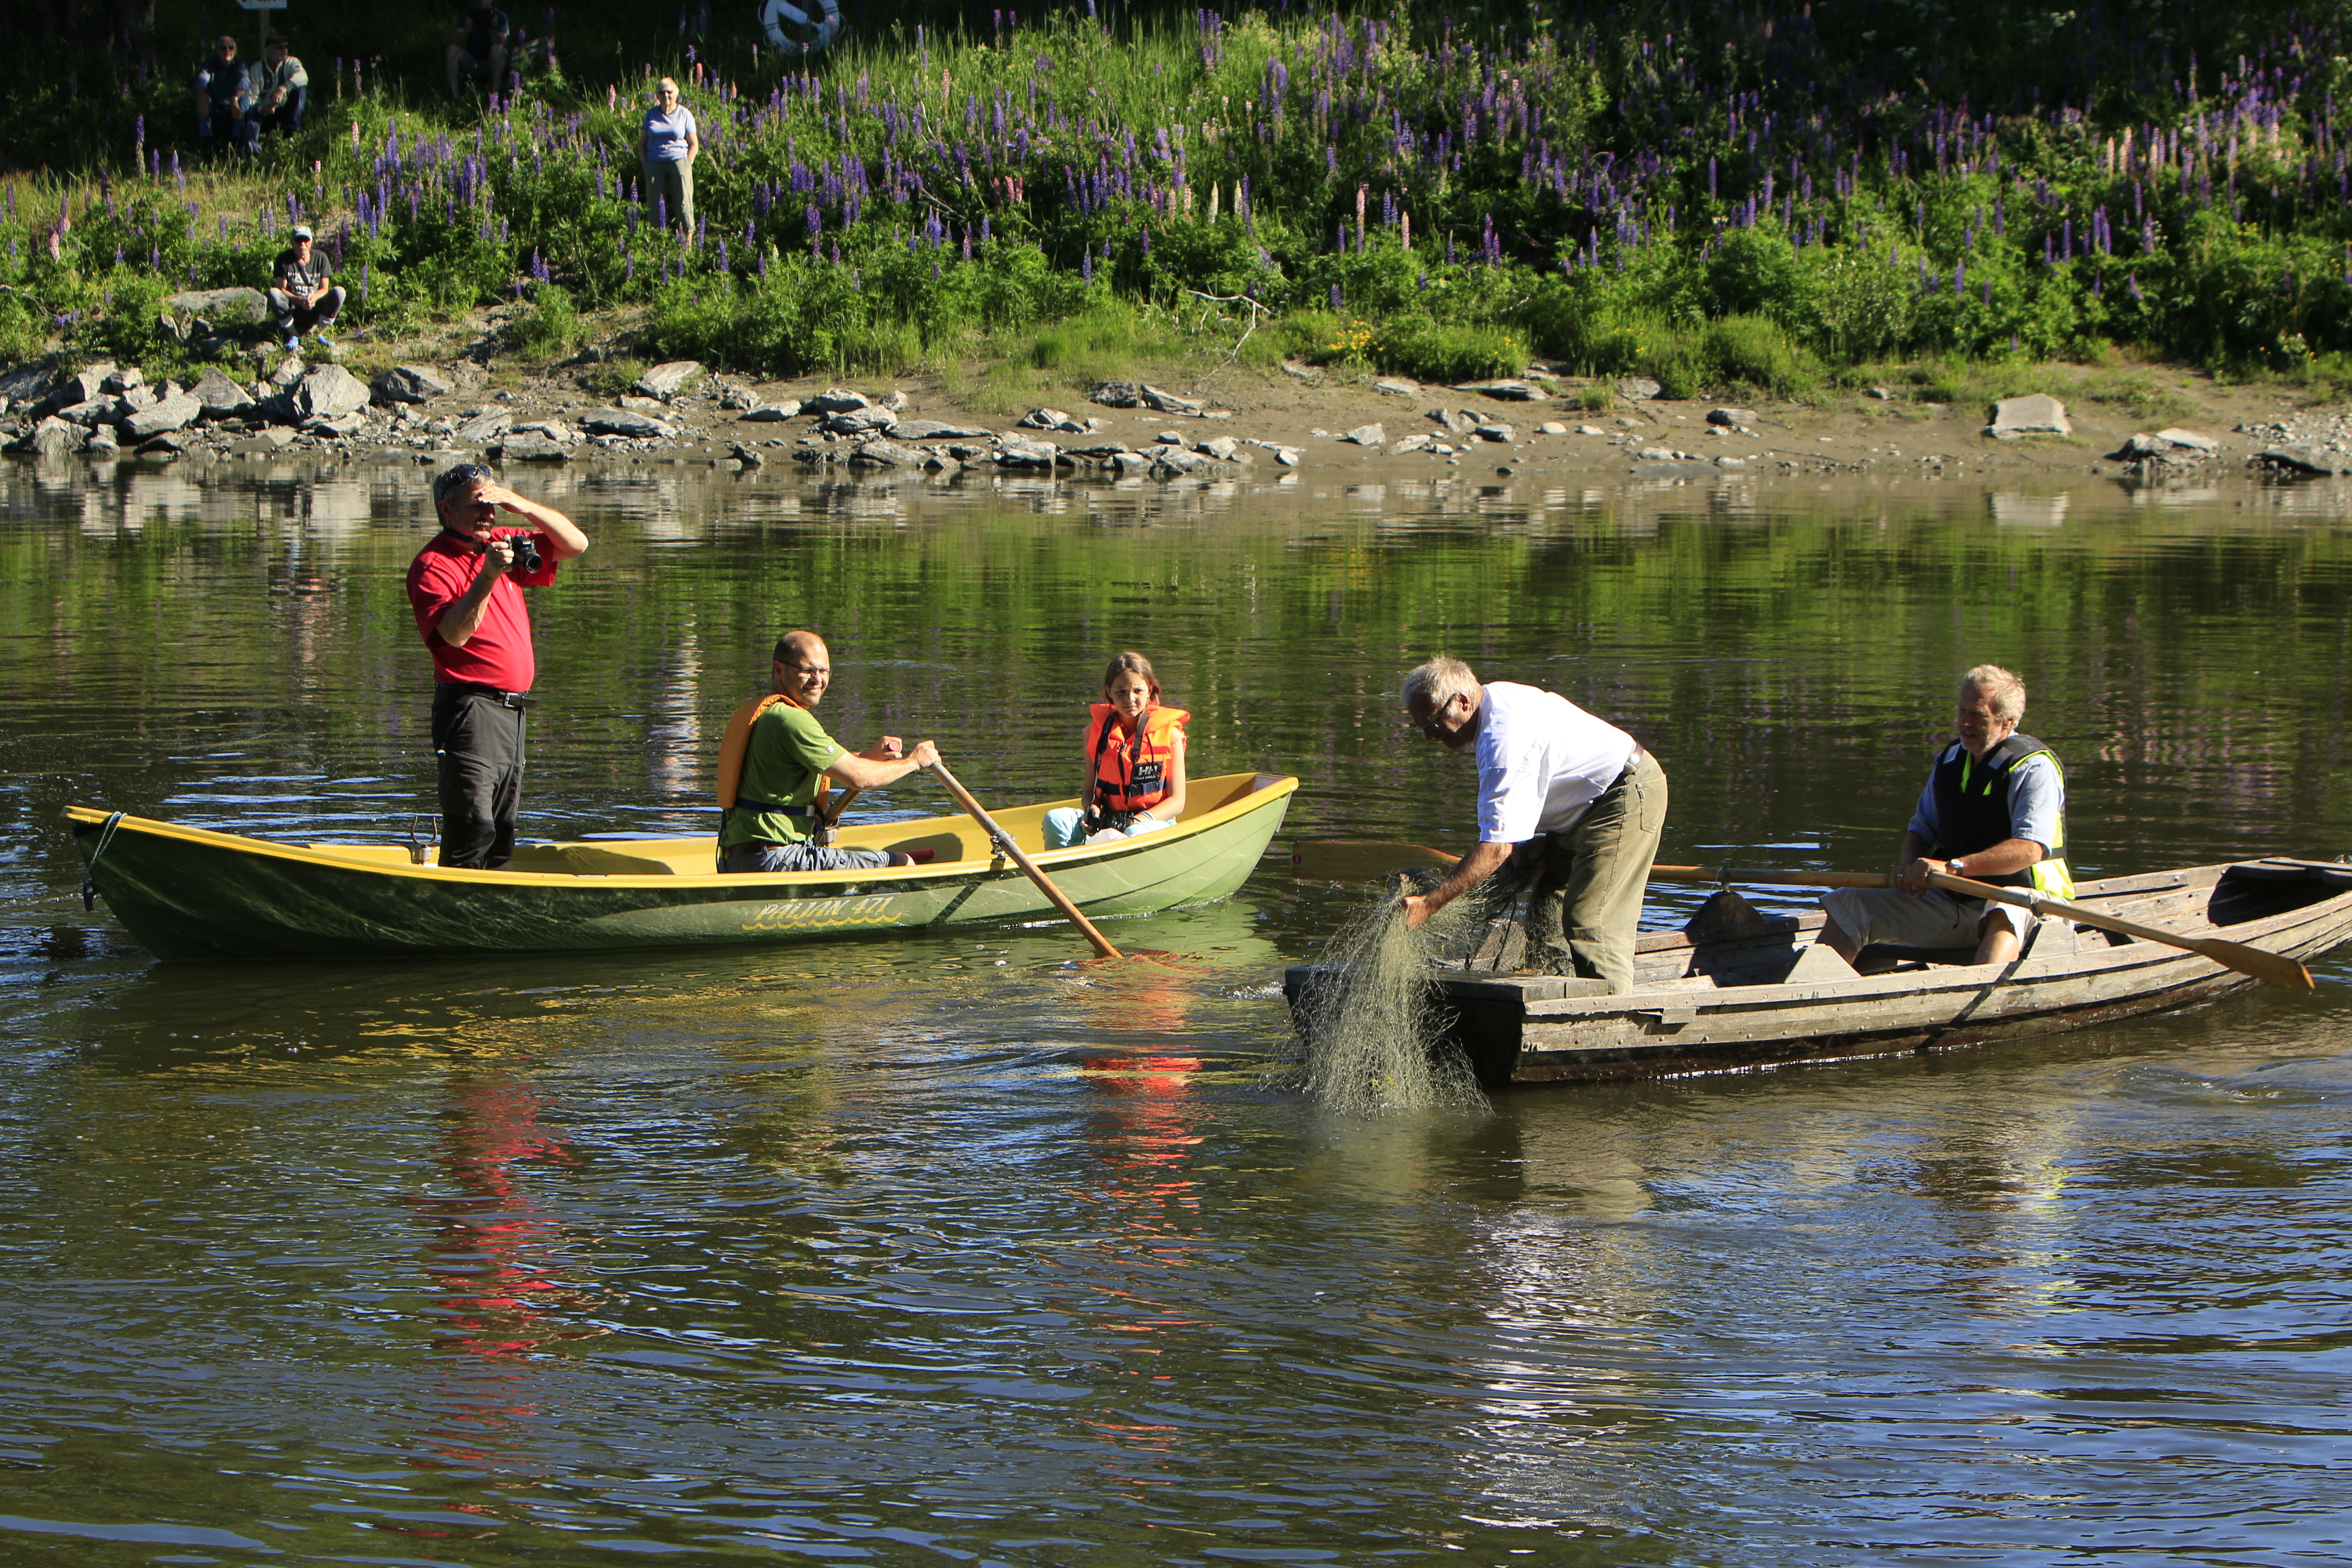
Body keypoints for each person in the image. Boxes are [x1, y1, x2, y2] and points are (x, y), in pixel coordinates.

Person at [1398, 656, 1668, 994]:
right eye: (1421, 727)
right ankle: (1553, 992)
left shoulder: (1504, 740)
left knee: (1590, 922)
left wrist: (1428, 904)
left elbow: (1495, 849)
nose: (1428, 737)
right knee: (1546, 892)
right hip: (1580, 809)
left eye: (1434, 725)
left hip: (1622, 797)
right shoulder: (1490, 701)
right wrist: (1523, 840)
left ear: (1463, 702)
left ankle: (1612, 1024)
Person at [1815, 664, 2072, 969]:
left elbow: (2030, 849)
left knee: (2006, 908)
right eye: (1962, 711)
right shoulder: (1950, 760)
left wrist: (1953, 868)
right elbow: (1922, 830)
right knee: (1851, 902)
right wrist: (1909, 868)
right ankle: (1808, 992)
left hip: (2034, 904)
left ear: (2008, 721)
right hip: (1955, 900)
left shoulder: (2034, 768)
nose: (1965, 722)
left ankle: (1979, 1003)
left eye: (1978, 715)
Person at [404, 464, 591, 870]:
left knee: (502, 835)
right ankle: (455, 921)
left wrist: (519, 504)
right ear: (447, 510)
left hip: (512, 713)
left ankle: (492, 919)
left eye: (492, 504)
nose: (489, 514)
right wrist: (490, 574)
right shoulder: (432, 564)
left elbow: (577, 544)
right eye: (478, 504)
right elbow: (454, 635)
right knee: (474, 831)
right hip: (470, 710)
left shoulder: (506, 540)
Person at [715, 631, 941, 873]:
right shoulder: (792, 720)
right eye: (807, 671)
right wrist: (914, 762)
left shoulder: (764, 713)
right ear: (779, 670)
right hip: (775, 859)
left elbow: (821, 764)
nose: (818, 680)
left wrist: (867, 756)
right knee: (903, 864)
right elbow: (860, 778)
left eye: (824, 672)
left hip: (738, 859)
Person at [1041, 652, 1188, 849]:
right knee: (1055, 818)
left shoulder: (1171, 735)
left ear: (1150, 689)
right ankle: (1064, 872)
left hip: (1150, 824)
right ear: (1109, 691)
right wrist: (1091, 810)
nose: (1130, 699)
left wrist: (1137, 821)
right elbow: (1089, 792)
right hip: (1107, 821)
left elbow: (1178, 802)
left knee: (1133, 833)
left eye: (1138, 691)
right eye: (1121, 692)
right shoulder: (1093, 733)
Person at [269, 226, 346, 352]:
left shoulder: (321, 258)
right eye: (298, 241)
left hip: (315, 307)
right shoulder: (284, 259)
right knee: (274, 293)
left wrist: (313, 298)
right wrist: (300, 300)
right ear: (292, 242)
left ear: (311, 241)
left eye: (306, 240)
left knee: (340, 292)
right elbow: (281, 289)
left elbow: (325, 289)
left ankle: (319, 334)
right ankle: (294, 335)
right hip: (293, 309)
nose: (302, 244)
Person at [639, 77, 700, 235]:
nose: (666, 95)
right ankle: (657, 244)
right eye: (662, 92)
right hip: (654, 162)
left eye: (669, 92)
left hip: (679, 160)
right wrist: (645, 164)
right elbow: (642, 143)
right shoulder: (651, 114)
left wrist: (688, 162)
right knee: (654, 204)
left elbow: (694, 143)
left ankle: (688, 244)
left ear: (676, 94)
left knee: (684, 202)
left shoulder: (685, 114)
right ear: (657, 96)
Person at [193, 34, 257, 156]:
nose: (227, 50)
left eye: (231, 48)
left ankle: (236, 141)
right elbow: (202, 78)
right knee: (201, 97)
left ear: (236, 51)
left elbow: (245, 81)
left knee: (244, 98)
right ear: (218, 51)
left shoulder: (241, 63)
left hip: (233, 107)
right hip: (216, 107)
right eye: (223, 48)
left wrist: (235, 98)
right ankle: (208, 142)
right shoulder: (211, 63)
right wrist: (201, 94)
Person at [249, 35, 309, 139]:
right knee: (251, 112)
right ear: (269, 51)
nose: (284, 50)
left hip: (287, 109)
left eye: (286, 46)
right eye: (280, 47)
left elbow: (303, 77)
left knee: (301, 90)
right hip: (267, 114)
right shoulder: (256, 69)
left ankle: (291, 133)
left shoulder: (292, 62)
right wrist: (261, 109)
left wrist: (282, 90)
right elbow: (252, 97)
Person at [447, 5, 511, 100]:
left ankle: (495, 95)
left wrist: (493, 30)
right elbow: (456, 41)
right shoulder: (467, 16)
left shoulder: (500, 16)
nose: (481, 2)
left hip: (493, 64)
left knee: (497, 49)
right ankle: (455, 96)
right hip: (473, 63)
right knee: (452, 50)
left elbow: (501, 42)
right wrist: (465, 31)